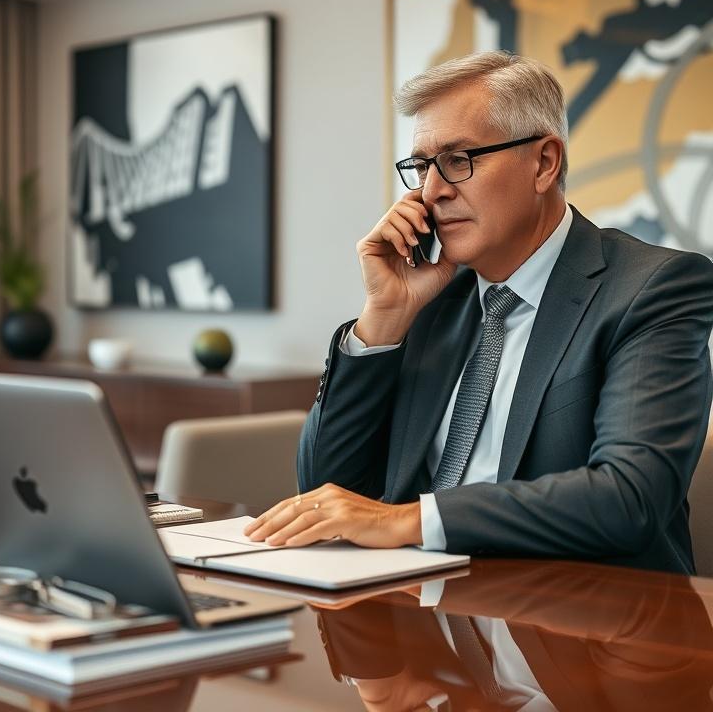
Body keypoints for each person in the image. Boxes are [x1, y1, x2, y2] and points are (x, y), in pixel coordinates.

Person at [245, 51, 713, 573]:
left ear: (544, 163)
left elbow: (629, 498)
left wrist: (408, 522)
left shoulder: (651, 288)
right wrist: (384, 316)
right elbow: (326, 489)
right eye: (422, 166)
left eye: (459, 159)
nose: (432, 191)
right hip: (425, 616)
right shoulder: (427, 295)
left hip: (589, 622)